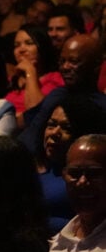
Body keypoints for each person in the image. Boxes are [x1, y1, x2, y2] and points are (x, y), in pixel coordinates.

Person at [18, 34, 106, 157]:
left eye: (73, 61)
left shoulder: (100, 106)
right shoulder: (56, 94)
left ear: (96, 65)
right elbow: (28, 123)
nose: (65, 67)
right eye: (62, 61)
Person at [36, 96, 106, 235]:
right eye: (51, 125)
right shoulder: (33, 169)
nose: (54, 133)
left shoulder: (86, 181)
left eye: (66, 128)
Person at [6, 23, 64, 126]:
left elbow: (35, 114)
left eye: (29, 43)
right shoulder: (11, 81)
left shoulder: (55, 79)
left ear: (42, 46)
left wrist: (30, 71)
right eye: (17, 45)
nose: (21, 50)